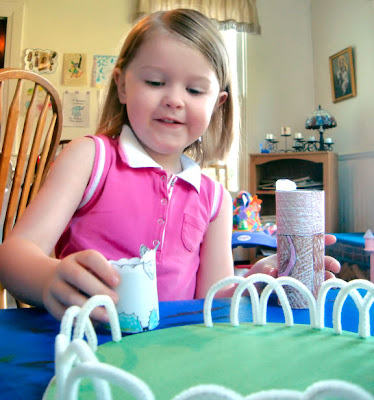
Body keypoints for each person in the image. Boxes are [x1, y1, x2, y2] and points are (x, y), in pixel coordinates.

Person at [0, 9, 340, 322]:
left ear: (217, 104)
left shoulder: (215, 198)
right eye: (155, 82)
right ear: (121, 85)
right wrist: (48, 279)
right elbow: (13, 256)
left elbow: (212, 298)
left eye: (194, 89)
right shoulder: (89, 158)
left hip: (176, 360)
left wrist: (257, 282)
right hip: (86, 352)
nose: (174, 100)